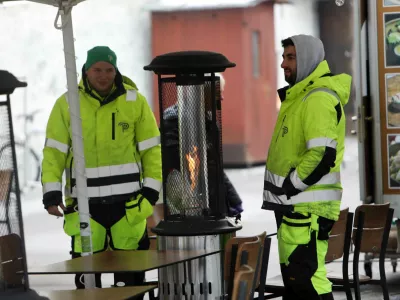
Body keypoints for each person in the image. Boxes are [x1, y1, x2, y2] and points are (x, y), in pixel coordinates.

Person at [41, 46, 162, 292]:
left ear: (116, 71)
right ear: (86, 70)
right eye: (97, 69)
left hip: (128, 206)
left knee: (130, 282)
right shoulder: (67, 104)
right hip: (85, 207)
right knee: (87, 281)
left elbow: (152, 151)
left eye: (109, 70)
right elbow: (54, 153)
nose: (103, 75)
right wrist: (51, 193)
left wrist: (150, 192)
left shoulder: (135, 101)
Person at [261, 35, 351, 300]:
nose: (283, 64)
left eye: (290, 57)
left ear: (308, 60)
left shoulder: (316, 98)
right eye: (283, 57)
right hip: (298, 207)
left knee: (306, 283)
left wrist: (291, 186)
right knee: (300, 283)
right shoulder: (301, 96)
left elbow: (322, 154)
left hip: (304, 207)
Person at [162, 73, 243, 218]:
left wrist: (232, 198)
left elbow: (216, 165)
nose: (222, 98)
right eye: (218, 93)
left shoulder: (210, 120)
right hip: (189, 204)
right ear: (204, 94)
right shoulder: (173, 119)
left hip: (213, 203)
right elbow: (174, 159)